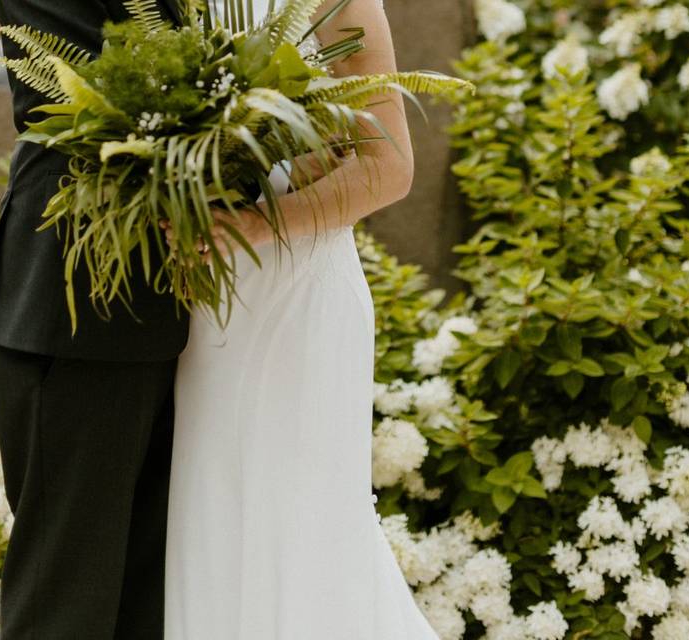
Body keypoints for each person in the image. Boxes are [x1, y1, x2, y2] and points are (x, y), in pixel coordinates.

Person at [163, 0, 442, 638]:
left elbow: (389, 166)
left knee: (301, 516)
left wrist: (254, 225)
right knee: (209, 511)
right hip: (206, 303)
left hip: (300, 297)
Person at [0, 1, 189, 638]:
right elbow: (116, 85)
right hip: (77, 300)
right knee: (67, 604)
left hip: (166, 308)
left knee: (139, 601)